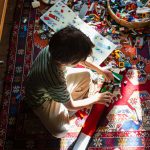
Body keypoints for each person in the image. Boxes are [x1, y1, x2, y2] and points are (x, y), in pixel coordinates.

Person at [25, 26, 114, 138]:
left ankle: (62, 101)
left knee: (87, 75)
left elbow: (82, 59)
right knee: (61, 131)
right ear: (69, 62)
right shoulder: (56, 80)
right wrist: (95, 99)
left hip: (44, 83)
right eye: (79, 60)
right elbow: (72, 105)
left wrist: (100, 70)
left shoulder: (54, 48)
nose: (82, 61)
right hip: (41, 100)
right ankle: (59, 104)